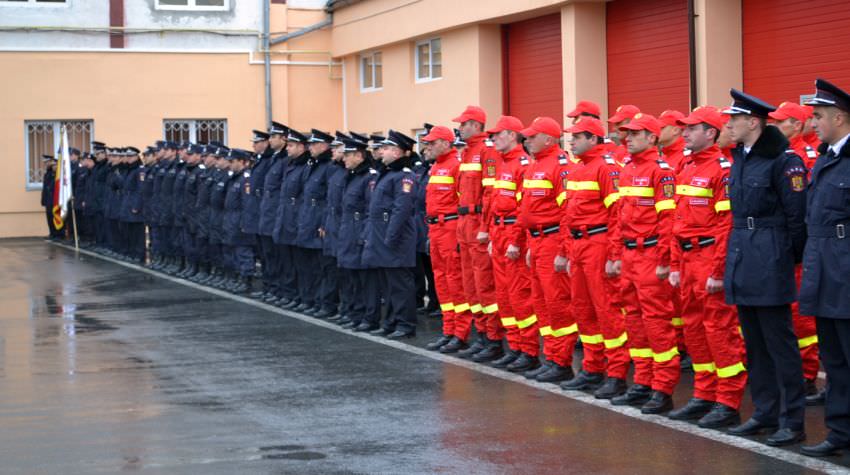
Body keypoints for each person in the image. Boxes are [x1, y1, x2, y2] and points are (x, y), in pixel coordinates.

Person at [723, 89, 807, 447]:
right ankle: (764, 412)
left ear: (753, 122)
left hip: (770, 254)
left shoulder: (783, 161)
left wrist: (784, 258)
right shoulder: (741, 157)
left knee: (780, 343)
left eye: (734, 119)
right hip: (744, 251)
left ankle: (792, 420)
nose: (728, 125)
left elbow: (797, 218)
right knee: (754, 343)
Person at [667, 106, 747, 429]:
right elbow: (677, 220)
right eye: (684, 128)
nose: (684, 133)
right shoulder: (686, 166)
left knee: (719, 330)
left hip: (708, 258)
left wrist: (717, 271)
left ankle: (727, 401)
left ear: (710, 133)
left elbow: (725, 226)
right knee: (694, 328)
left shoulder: (722, 170)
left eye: (692, 128)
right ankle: (704, 393)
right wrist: (675, 262)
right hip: (686, 260)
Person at [612, 113, 681, 414]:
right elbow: (619, 218)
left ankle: (662, 388)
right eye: (627, 133)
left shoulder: (661, 172)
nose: (628, 138)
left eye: (635, 134)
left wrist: (665, 260)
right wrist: (615, 255)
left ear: (652, 138)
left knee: (656, 322)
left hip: (651, 255)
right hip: (629, 255)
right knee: (634, 320)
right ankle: (642, 380)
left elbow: (668, 221)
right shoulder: (627, 169)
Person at [799, 78, 850, 457]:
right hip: (824, 269)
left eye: (818, 116)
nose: (812, 122)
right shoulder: (827, 158)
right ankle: (839, 433)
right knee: (834, 359)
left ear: (840, 117)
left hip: (846, 270)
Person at [560, 117, 629, 394]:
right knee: (583, 308)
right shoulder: (578, 170)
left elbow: (617, 216)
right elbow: (568, 215)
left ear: (593, 139)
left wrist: (614, 255)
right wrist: (566, 251)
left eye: (576, 137)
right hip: (579, 245)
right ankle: (592, 367)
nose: (571, 142)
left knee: (607, 310)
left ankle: (617, 373)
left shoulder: (607, 168)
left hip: (599, 244)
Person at [516, 117, 577, 381]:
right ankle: (551, 356)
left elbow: (567, 213)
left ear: (549, 139)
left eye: (532, 136)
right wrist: (530, 244)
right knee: (541, 303)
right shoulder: (535, 165)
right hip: (538, 241)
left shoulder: (560, 166)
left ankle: (561, 362)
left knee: (557, 303)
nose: (526, 141)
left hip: (553, 240)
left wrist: (563, 251)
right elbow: (530, 212)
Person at [768, 101, 822, 399]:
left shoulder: (803, 156)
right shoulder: (781, 154)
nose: (775, 126)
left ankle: (806, 375)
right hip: (783, 242)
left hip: (799, 243)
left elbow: (802, 205)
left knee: (800, 314)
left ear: (796, 126)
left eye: (781, 122)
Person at [484, 116, 540, 366]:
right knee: (504, 295)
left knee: (520, 295)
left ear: (511, 135)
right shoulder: (502, 163)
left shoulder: (523, 164)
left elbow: (522, 210)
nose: (493, 138)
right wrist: (491, 234)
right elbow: (495, 204)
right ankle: (515, 346)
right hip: (499, 234)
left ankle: (528, 351)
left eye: (498, 134)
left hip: (512, 235)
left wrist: (516, 242)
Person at [450, 106, 502, 358]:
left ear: (476, 125)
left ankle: (493, 339)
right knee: (470, 285)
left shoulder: (486, 152)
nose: (460, 128)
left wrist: (485, 228)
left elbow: (490, 195)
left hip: (478, 225)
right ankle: (481, 335)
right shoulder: (468, 153)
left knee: (485, 285)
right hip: (464, 225)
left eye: (464, 124)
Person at [363, 130, 419, 339]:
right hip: (382, 237)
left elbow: (401, 209)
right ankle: (391, 322)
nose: (381, 152)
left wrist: (391, 237)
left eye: (385, 148)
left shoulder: (404, 176)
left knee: (400, 285)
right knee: (388, 285)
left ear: (396, 152)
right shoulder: (387, 173)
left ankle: (405, 324)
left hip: (396, 239)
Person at [418, 126, 468, 352]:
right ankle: (448, 330)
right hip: (436, 229)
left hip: (450, 228)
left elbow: (463, 205)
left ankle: (461, 333)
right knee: (442, 283)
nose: (427, 146)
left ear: (446, 143)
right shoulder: (436, 167)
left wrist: (459, 235)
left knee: (455, 282)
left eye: (432, 142)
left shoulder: (457, 166)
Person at [336, 137, 382, 331]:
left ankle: (369, 317)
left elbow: (371, 210)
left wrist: (364, 235)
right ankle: (356, 313)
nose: (344, 158)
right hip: (348, 230)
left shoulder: (369, 177)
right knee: (352, 275)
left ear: (359, 156)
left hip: (360, 231)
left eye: (348, 155)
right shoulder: (352, 175)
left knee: (367, 279)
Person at [41, 155, 60, 239]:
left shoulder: (57, 174)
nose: (45, 164)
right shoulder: (48, 173)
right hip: (48, 199)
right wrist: (43, 199)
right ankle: (52, 233)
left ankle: (57, 234)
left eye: (47, 162)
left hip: (54, 199)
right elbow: (45, 188)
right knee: (49, 217)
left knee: (55, 217)